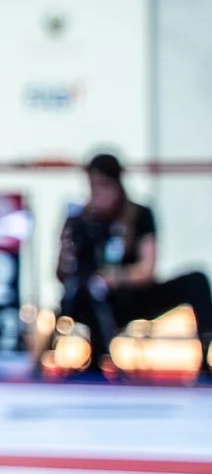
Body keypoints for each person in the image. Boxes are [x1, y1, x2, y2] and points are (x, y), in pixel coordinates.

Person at [57, 152, 211, 383]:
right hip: (90, 300)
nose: (98, 192)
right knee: (87, 291)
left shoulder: (138, 215)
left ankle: (206, 357)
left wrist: (116, 277)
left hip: (132, 295)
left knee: (196, 281)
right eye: (93, 185)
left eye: (104, 185)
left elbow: (146, 270)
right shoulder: (79, 221)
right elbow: (62, 273)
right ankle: (97, 358)